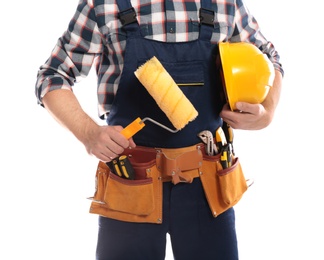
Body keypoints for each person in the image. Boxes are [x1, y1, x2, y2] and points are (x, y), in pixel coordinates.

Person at [35, 0, 283, 259]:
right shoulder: (104, 4)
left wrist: (268, 111)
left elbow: (270, 58)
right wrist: (89, 133)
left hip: (208, 186)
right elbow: (52, 76)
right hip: (131, 181)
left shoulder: (224, 3)